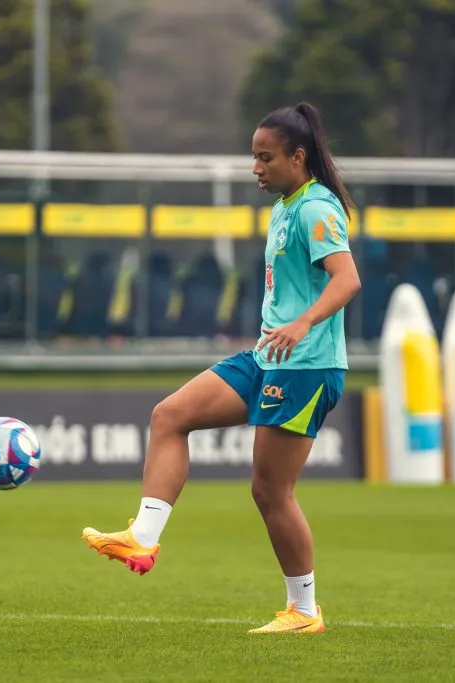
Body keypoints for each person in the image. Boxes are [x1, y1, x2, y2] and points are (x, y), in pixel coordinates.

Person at [81, 101, 361, 634]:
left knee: (269, 490)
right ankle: (143, 536)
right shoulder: (285, 204)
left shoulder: (316, 208)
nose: (255, 168)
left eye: (266, 157)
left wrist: (302, 324)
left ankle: (304, 612)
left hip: (305, 366)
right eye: (253, 157)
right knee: (170, 415)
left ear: (298, 157)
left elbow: (347, 280)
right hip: (267, 356)